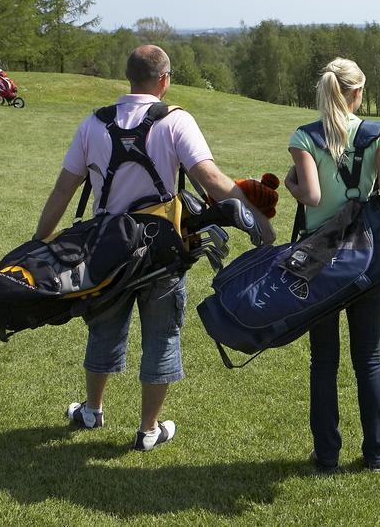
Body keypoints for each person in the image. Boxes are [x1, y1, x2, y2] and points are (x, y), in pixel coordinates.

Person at [33, 45, 274, 451]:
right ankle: (148, 430)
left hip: (107, 249)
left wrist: (39, 241)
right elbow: (211, 179)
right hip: (164, 251)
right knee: (162, 337)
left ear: (128, 78)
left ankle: (92, 410)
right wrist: (259, 222)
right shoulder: (176, 121)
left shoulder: (93, 123)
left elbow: (63, 189)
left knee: (103, 329)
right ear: (164, 79)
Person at [285, 58, 380, 473]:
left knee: (323, 360)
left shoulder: (304, 137)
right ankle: (375, 454)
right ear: (356, 94)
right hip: (366, 257)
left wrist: (291, 184)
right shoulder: (378, 134)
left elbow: (312, 197)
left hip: (320, 261)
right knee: (368, 357)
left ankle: (327, 455)